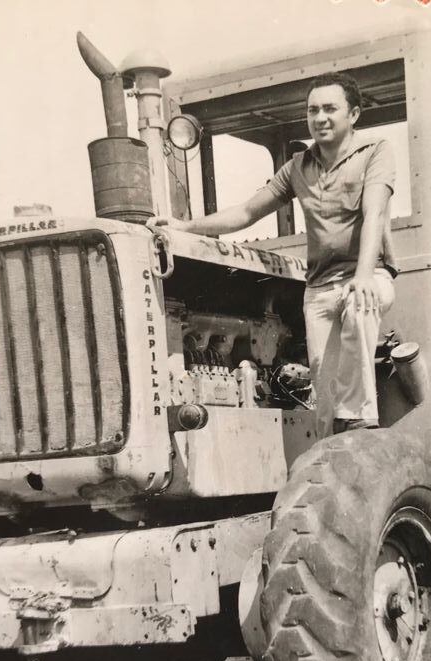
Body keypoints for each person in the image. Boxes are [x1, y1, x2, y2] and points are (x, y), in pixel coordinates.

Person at [148, 72, 396, 436]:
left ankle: (361, 418)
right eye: (313, 110)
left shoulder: (375, 152)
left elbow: (374, 213)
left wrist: (362, 276)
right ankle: (332, 446)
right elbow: (247, 212)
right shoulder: (299, 167)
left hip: (369, 276)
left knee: (359, 306)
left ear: (354, 114)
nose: (320, 117)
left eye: (330, 109)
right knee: (325, 401)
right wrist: (184, 226)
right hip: (320, 287)